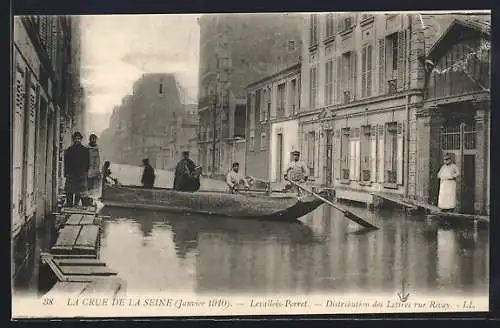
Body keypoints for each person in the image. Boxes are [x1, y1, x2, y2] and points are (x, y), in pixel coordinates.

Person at [64, 131, 90, 207]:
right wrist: (66, 173)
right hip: (71, 173)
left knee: (79, 190)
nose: (77, 140)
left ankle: (76, 204)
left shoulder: (85, 150)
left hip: (80, 173)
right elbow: (66, 162)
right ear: (73, 139)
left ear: (81, 139)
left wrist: (85, 172)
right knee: (69, 190)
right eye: (76, 139)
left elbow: (87, 163)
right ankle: (69, 203)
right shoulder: (70, 150)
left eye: (79, 139)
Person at [84, 133, 101, 205]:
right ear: (90, 140)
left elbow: (98, 159)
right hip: (88, 170)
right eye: (92, 139)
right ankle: (87, 201)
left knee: (94, 187)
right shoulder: (86, 149)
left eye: (94, 139)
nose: (93, 140)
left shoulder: (97, 149)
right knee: (87, 186)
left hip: (95, 170)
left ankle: (92, 201)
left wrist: (98, 169)